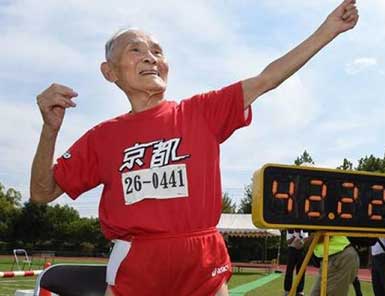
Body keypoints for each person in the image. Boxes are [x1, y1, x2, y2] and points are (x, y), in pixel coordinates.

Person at [29, 1, 359, 296]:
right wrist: (49, 130)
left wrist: (328, 30)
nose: (150, 57)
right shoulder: (102, 138)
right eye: (136, 50)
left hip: (204, 263)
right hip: (136, 267)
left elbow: (267, 78)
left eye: (157, 51)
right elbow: (43, 192)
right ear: (110, 71)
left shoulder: (200, 112)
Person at [284, 229, 308, 296]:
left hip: (301, 250)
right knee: (289, 270)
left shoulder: (303, 229)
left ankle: (300, 291)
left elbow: (306, 238)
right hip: (292, 249)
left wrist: (301, 241)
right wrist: (294, 237)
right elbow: (288, 242)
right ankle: (287, 290)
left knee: (301, 271)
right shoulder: (290, 229)